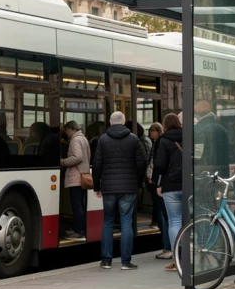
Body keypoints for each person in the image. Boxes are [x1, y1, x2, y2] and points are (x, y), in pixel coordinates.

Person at [91, 111, 147, 270]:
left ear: (110, 122)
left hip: (108, 187)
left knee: (108, 221)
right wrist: (138, 183)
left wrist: (97, 185)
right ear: (123, 122)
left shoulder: (102, 140)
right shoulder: (134, 139)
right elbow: (141, 163)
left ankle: (106, 260)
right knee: (126, 222)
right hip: (128, 187)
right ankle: (126, 261)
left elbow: (97, 164)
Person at [154, 113, 184, 272]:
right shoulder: (189, 136)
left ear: (164, 125)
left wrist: (158, 183)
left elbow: (159, 164)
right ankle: (191, 256)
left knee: (174, 221)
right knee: (190, 220)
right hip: (188, 184)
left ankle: (176, 259)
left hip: (170, 186)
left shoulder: (163, 140)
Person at [60, 121, 90, 240]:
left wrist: (63, 161)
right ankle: (80, 229)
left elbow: (77, 157)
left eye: (66, 130)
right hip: (82, 175)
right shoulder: (83, 139)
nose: (66, 133)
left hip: (75, 177)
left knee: (76, 205)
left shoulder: (75, 140)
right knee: (80, 205)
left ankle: (79, 231)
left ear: (70, 129)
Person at [145, 122, 171, 259]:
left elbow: (157, 164)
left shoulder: (161, 143)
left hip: (160, 183)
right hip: (166, 183)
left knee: (164, 214)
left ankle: (168, 247)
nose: (150, 133)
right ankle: (171, 247)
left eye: (152, 131)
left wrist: (153, 178)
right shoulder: (167, 142)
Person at [193, 100, 228, 176]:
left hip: (204, 169)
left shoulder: (198, 129)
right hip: (221, 168)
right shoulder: (221, 128)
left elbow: (198, 155)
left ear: (198, 112)